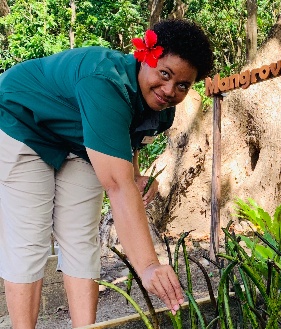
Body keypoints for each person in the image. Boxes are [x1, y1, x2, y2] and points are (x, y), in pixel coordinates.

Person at [0, 18, 214, 328]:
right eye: (164, 74)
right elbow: (116, 185)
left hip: (78, 136)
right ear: (145, 58)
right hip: (21, 120)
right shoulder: (105, 80)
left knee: (81, 237)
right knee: (30, 239)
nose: (169, 90)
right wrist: (149, 266)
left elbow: (131, 140)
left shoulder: (163, 107)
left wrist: (137, 175)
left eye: (182, 84)